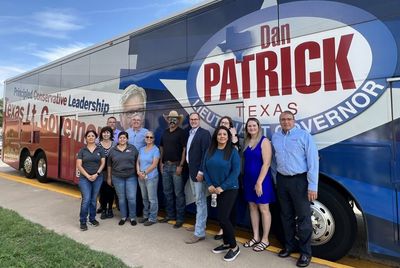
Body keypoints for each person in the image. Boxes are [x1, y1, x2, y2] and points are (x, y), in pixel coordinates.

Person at [271, 111, 318, 268]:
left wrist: (312, 185)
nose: (286, 122)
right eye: (283, 120)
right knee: (286, 215)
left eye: (288, 119)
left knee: (304, 217)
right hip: (282, 180)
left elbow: (313, 161)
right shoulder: (276, 137)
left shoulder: (304, 136)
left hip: (300, 180)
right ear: (279, 122)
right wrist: (275, 178)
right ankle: (289, 246)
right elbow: (273, 160)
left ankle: (305, 253)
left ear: (294, 120)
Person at [204, 126, 241, 262]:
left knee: (223, 218)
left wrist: (222, 187)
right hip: (215, 189)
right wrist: (210, 185)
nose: (222, 136)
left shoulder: (232, 152)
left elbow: (235, 172)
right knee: (223, 217)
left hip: (230, 188)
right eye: (219, 134)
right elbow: (205, 169)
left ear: (228, 136)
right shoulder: (210, 151)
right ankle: (226, 243)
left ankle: (234, 247)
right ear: (216, 136)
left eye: (224, 134)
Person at [242, 118, 276, 252]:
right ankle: (255, 237)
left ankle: (265, 239)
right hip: (248, 180)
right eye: (249, 126)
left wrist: (259, 182)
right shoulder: (246, 142)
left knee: (263, 208)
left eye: (254, 125)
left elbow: (266, 163)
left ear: (258, 127)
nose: (251, 128)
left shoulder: (264, 141)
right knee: (252, 207)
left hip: (261, 181)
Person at [185, 112, 211, 244]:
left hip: (199, 173)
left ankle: (199, 232)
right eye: (191, 119)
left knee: (200, 202)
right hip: (191, 171)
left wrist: (201, 171)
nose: (193, 121)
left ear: (199, 120)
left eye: (196, 119)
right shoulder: (190, 133)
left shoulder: (204, 133)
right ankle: (199, 225)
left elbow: (206, 154)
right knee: (198, 201)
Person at [159, 110, 187, 229]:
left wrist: (181, 165)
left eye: (174, 119)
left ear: (178, 121)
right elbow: (161, 147)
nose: (172, 121)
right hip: (165, 166)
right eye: (170, 118)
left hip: (176, 166)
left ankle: (180, 218)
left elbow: (185, 149)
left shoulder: (181, 133)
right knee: (167, 192)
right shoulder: (165, 132)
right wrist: (160, 162)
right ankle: (170, 215)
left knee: (178, 193)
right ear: (168, 120)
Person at [214, 116, 241, 240]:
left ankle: (228, 233)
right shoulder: (217, 138)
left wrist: (234, 136)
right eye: (222, 123)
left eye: (226, 123)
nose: (224, 124)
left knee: (230, 207)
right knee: (222, 208)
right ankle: (224, 229)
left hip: (231, 179)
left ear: (230, 126)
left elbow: (235, 154)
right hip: (219, 179)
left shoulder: (233, 139)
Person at [107, 131, 139, 226]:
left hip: (131, 177)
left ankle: (132, 217)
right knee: (121, 199)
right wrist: (109, 177)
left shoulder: (132, 148)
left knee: (132, 198)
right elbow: (109, 165)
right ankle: (124, 217)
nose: (122, 139)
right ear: (118, 139)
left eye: (124, 138)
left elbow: (138, 161)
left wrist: (139, 172)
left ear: (127, 139)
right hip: (117, 177)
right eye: (120, 137)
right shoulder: (113, 150)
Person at [76, 129, 105, 231]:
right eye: (89, 136)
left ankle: (92, 219)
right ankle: (83, 221)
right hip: (85, 178)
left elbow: (103, 163)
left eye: (93, 136)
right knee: (86, 199)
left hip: (97, 178)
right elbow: (79, 165)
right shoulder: (82, 150)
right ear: (85, 138)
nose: (91, 137)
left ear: (96, 138)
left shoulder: (100, 150)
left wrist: (96, 174)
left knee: (93, 200)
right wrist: (88, 175)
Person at [136, 131, 160, 226]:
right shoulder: (141, 149)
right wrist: (138, 171)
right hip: (141, 177)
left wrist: (144, 172)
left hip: (151, 177)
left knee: (152, 199)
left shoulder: (156, 150)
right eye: (147, 137)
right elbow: (137, 162)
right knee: (144, 198)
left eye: (151, 137)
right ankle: (145, 216)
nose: (149, 139)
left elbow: (154, 164)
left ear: (153, 139)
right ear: (145, 138)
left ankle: (153, 218)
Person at [96, 126, 115, 219]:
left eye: (108, 132)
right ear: (101, 134)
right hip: (101, 172)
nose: (106, 134)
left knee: (111, 191)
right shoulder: (97, 145)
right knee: (103, 191)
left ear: (111, 134)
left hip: (112, 172)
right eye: (104, 132)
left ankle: (110, 209)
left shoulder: (115, 144)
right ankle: (103, 209)